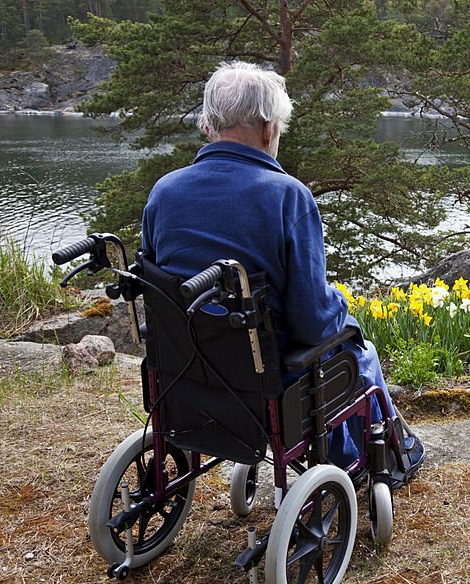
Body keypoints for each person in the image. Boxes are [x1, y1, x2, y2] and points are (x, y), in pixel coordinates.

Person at [140, 60, 417, 469]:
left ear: (208, 125)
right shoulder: (287, 197)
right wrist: (340, 305)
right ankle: (382, 458)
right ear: (269, 128)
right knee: (361, 351)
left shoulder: (164, 193)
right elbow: (312, 322)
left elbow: (156, 286)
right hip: (269, 380)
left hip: (184, 373)